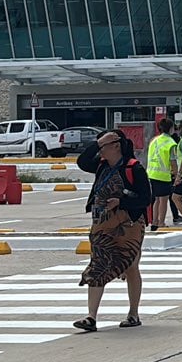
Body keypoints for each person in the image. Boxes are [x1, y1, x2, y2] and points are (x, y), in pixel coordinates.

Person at [75, 129, 148, 333]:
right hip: (102, 223)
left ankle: (133, 313)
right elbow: (82, 160)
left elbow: (145, 198)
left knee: (131, 266)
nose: (100, 151)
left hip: (128, 225)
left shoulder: (133, 168)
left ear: (116, 146)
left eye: (104, 147)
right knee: (98, 265)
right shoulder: (100, 166)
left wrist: (121, 201)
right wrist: (99, 142)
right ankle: (91, 317)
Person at [144, 115, 178, 231]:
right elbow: (173, 161)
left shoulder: (154, 140)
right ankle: (162, 222)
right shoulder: (170, 142)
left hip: (151, 173)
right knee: (163, 199)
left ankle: (154, 222)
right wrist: (177, 174)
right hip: (163, 175)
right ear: (170, 128)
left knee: (156, 199)